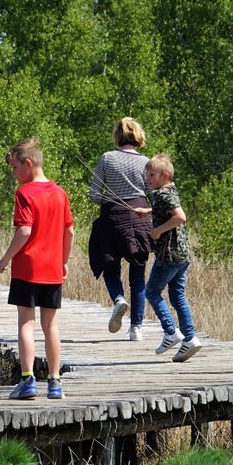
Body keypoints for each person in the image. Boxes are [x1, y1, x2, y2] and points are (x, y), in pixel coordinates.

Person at [0, 139, 74, 400]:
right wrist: (63, 261)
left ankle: (28, 381)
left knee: (26, 323)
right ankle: (55, 382)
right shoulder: (60, 193)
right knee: (51, 326)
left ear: (28, 164)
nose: (14, 173)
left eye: (15, 167)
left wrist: (5, 259)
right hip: (52, 269)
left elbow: (24, 231)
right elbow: (69, 231)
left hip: (28, 268)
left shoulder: (25, 193)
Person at [87, 117, 153, 341]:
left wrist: (111, 198)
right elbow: (152, 194)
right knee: (138, 275)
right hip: (140, 218)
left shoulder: (107, 158)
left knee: (110, 268)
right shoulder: (146, 163)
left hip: (113, 218)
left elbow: (94, 194)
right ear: (137, 136)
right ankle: (136, 328)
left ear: (117, 135)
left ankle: (118, 299)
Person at [135, 154, 202, 362]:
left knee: (152, 292)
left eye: (152, 174)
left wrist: (157, 231)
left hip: (169, 253)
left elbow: (180, 216)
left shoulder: (163, 195)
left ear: (165, 175)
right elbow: (166, 208)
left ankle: (171, 331)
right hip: (182, 254)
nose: (148, 178)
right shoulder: (169, 190)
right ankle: (190, 339)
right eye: (147, 174)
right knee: (177, 296)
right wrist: (148, 211)